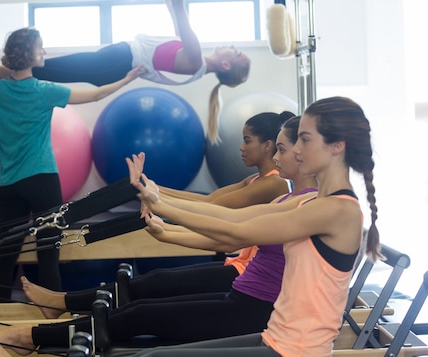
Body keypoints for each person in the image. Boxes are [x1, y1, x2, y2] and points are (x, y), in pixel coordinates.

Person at [0, 96, 380, 357]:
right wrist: (161, 204)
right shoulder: (307, 202)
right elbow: (233, 222)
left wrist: (163, 206)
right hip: (275, 341)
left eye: (305, 139)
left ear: (336, 146)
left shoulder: (340, 212)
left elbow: (241, 226)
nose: (293, 148)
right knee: (152, 356)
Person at [21, 111, 295, 319]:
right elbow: (209, 199)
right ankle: (61, 303)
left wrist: (156, 200)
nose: (241, 147)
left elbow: (218, 210)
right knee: (152, 283)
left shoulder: (275, 184)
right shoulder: (255, 180)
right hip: (238, 265)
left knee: (153, 286)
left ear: (268, 146)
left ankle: (62, 303)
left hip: (245, 271)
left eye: (247, 141)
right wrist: (150, 187)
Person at [0, 27, 144, 301]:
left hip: (9, 186)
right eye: (40, 47)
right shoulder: (45, 91)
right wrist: (126, 80)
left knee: (6, 253)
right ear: (29, 54)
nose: (44, 52)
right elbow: (96, 94)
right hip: (43, 180)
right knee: (48, 252)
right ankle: (54, 317)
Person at [0, 0, 250, 143]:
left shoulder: (196, 58)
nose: (230, 46)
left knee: (33, 68)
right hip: (115, 62)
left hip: (117, 61)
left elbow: (178, 8)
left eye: (233, 53)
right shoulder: (195, 65)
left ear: (225, 65)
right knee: (35, 71)